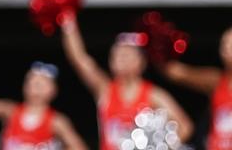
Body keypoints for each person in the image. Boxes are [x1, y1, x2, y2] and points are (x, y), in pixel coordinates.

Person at [58, 17, 192, 150]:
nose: (120, 58)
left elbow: (185, 127)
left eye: (126, 54)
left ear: (141, 62)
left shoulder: (153, 95)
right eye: (116, 54)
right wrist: (67, 21)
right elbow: (79, 59)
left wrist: (160, 146)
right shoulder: (105, 90)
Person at [0, 62, 87, 150]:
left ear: (53, 90)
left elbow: (78, 147)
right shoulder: (11, 111)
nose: (35, 85)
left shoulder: (56, 121)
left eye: (41, 83)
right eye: (31, 81)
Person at [160, 26, 232, 150]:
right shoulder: (216, 81)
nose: (225, 48)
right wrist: (158, 45)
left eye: (231, 44)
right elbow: (176, 73)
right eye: (223, 44)